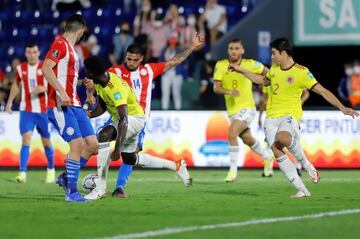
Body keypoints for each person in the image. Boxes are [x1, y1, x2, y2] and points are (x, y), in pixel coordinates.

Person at [229, 37, 359, 198]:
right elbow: (262, 80)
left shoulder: (301, 72)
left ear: (283, 53)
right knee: (276, 150)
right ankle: (303, 190)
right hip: (271, 118)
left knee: (283, 137)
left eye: (274, 53)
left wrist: (342, 107)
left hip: (290, 115)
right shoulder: (274, 69)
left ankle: (307, 165)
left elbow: (323, 91)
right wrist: (241, 70)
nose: (271, 57)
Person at [41, 14, 98, 202]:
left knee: (92, 145)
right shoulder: (60, 44)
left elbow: (67, 80)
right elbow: (46, 68)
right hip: (59, 104)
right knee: (77, 145)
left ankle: (66, 178)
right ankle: (72, 193)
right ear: (80, 30)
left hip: (74, 103)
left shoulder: (72, 50)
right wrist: (62, 92)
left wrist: (83, 83)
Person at [83, 56, 146, 199]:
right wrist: (90, 114)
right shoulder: (100, 83)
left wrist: (117, 148)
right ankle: (174, 165)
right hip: (123, 119)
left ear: (93, 74)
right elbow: (103, 105)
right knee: (130, 158)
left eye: (88, 73)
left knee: (104, 135)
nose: (86, 76)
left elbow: (124, 119)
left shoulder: (115, 87)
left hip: (134, 118)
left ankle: (100, 188)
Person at [213, 38, 273, 182]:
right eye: (231, 48)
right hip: (232, 111)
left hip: (247, 108)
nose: (233, 51)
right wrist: (228, 91)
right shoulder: (221, 65)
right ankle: (267, 156)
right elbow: (216, 87)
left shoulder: (250, 64)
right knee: (247, 139)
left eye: (236, 48)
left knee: (232, 132)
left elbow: (269, 73)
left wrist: (266, 83)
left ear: (242, 51)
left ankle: (232, 172)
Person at [5, 43, 55, 183]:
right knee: (26, 139)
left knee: (46, 142)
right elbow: (16, 84)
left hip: (42, 111)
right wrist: (9, 102)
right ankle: (22, 173)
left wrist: (43, 88)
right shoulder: (21, 68)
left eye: (34, 52)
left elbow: (53, 84)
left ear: (38, 53)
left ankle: (51, 170)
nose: (32, 54)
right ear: (25, 54)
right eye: (29, 52)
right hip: (26, 110)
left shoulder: (45, 67)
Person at [258, 86, 309, 176]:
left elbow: (306, 93)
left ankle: (298, 167)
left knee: (293, 141)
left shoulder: (289, 77)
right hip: (274, 115)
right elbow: (264, 99)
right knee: (271, 143)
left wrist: (300, 103)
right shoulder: (269, 79)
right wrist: (260, 115)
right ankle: (268, 170)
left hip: (290, 114)